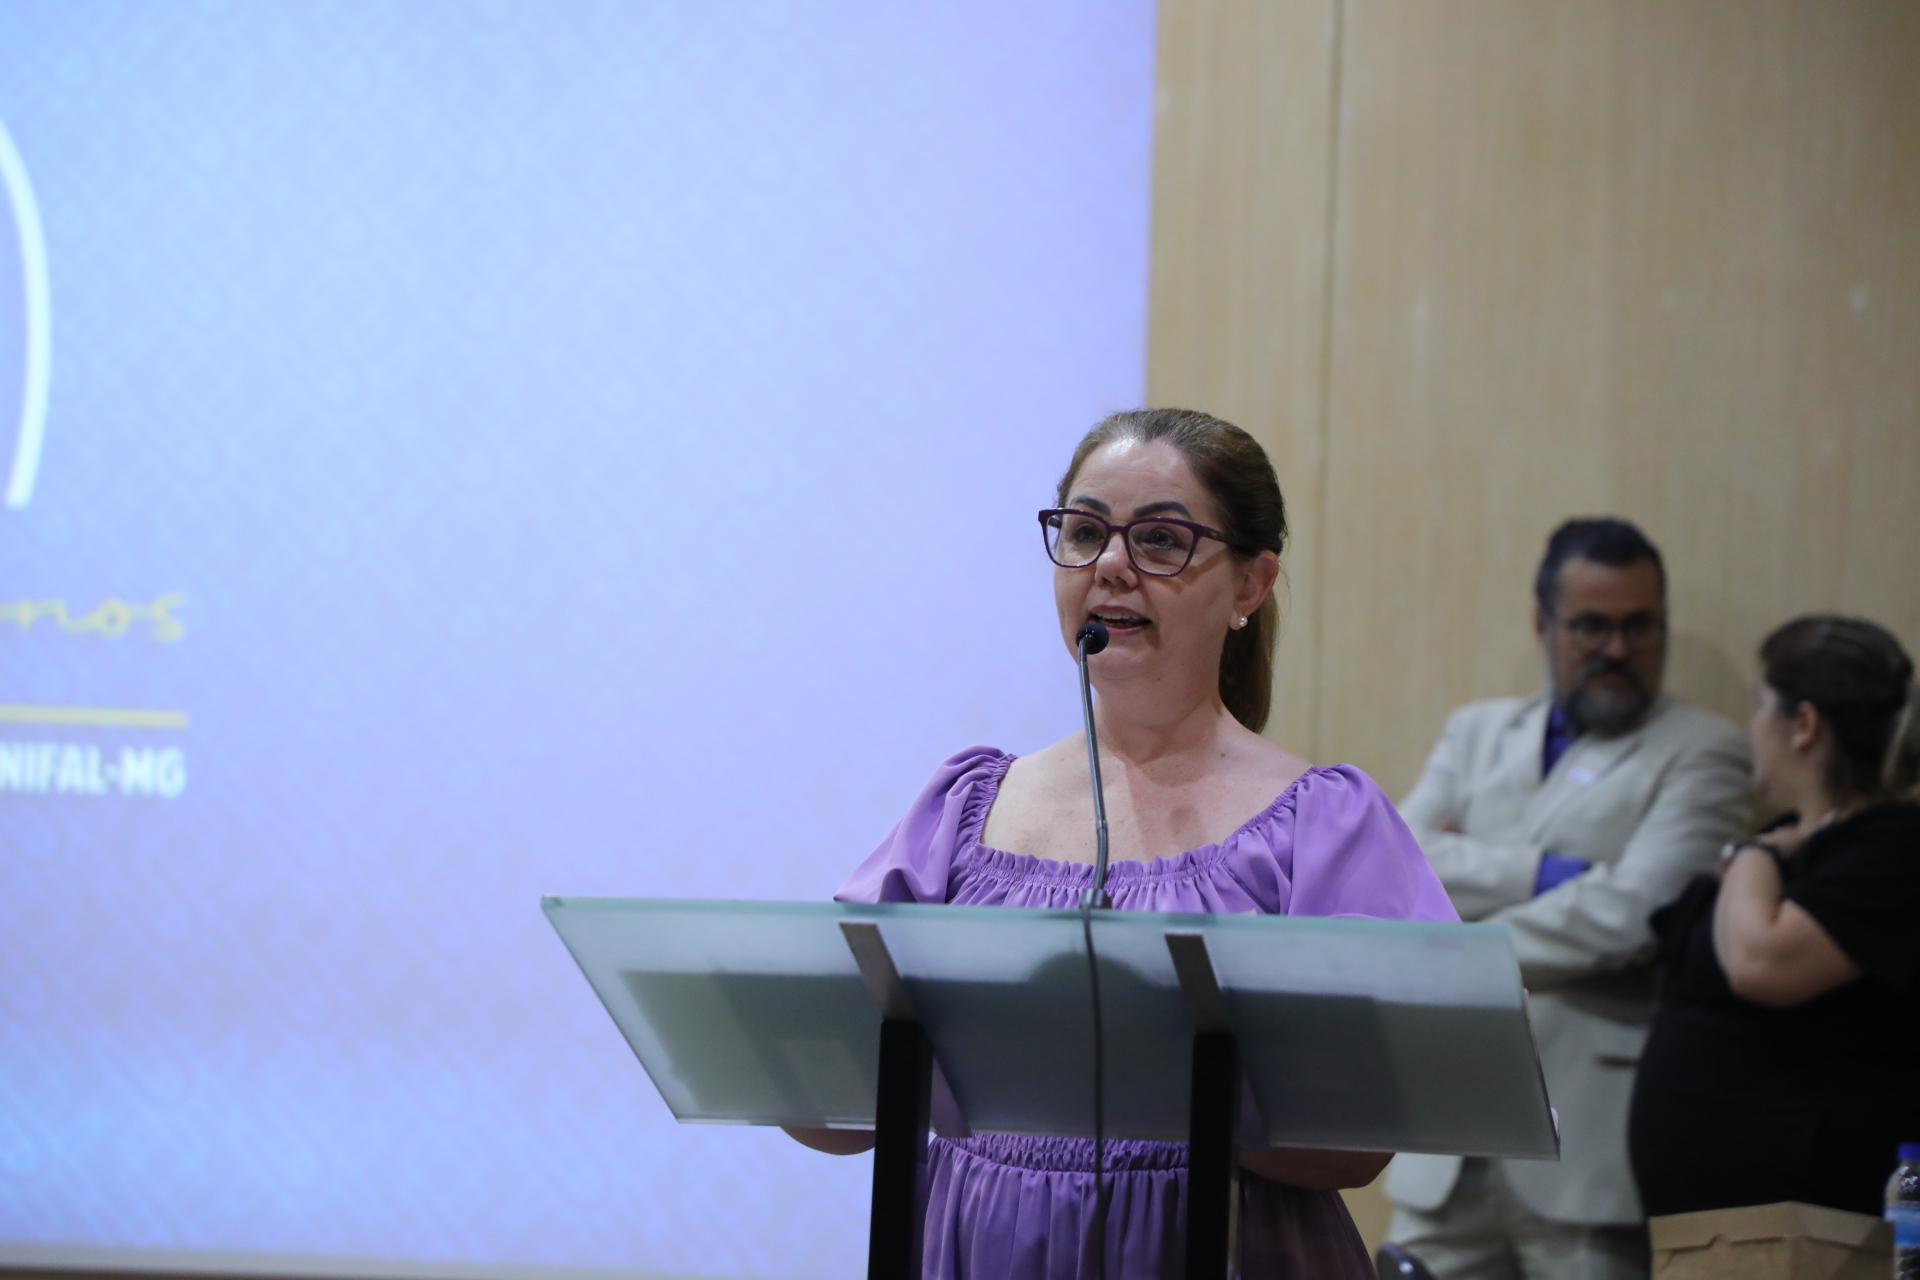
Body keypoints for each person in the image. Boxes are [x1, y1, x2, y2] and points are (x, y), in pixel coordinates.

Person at [786, 408, 1458, 1280]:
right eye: (1085, 532)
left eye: (1161, 540)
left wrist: (1102, 1071)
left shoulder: (1323, 823)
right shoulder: (962, 809)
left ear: (1251, 585)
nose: (1110, 564)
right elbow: (825, 1096)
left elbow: (1355, 1143)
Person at [1383, 518, 1753, 1280]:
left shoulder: (1705, 751)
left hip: (1584, 1151)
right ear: (1543, 625)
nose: (1617, 648)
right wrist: (1548, 873)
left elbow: (1632, 912)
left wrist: (1453, 936)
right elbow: (1397, 862)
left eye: (1639, 626)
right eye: (1591, 626)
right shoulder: (1476, 731)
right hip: (1448, 1136)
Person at [1629, 615, 1920, 1217]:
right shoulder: (1791, 838)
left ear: (1804, 725)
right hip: (1713, 1213)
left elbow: (1761, 962)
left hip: (1809, 1206)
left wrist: (1750, 855)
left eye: (1761, 706)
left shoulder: (1893, 846)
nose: (1752, 726)